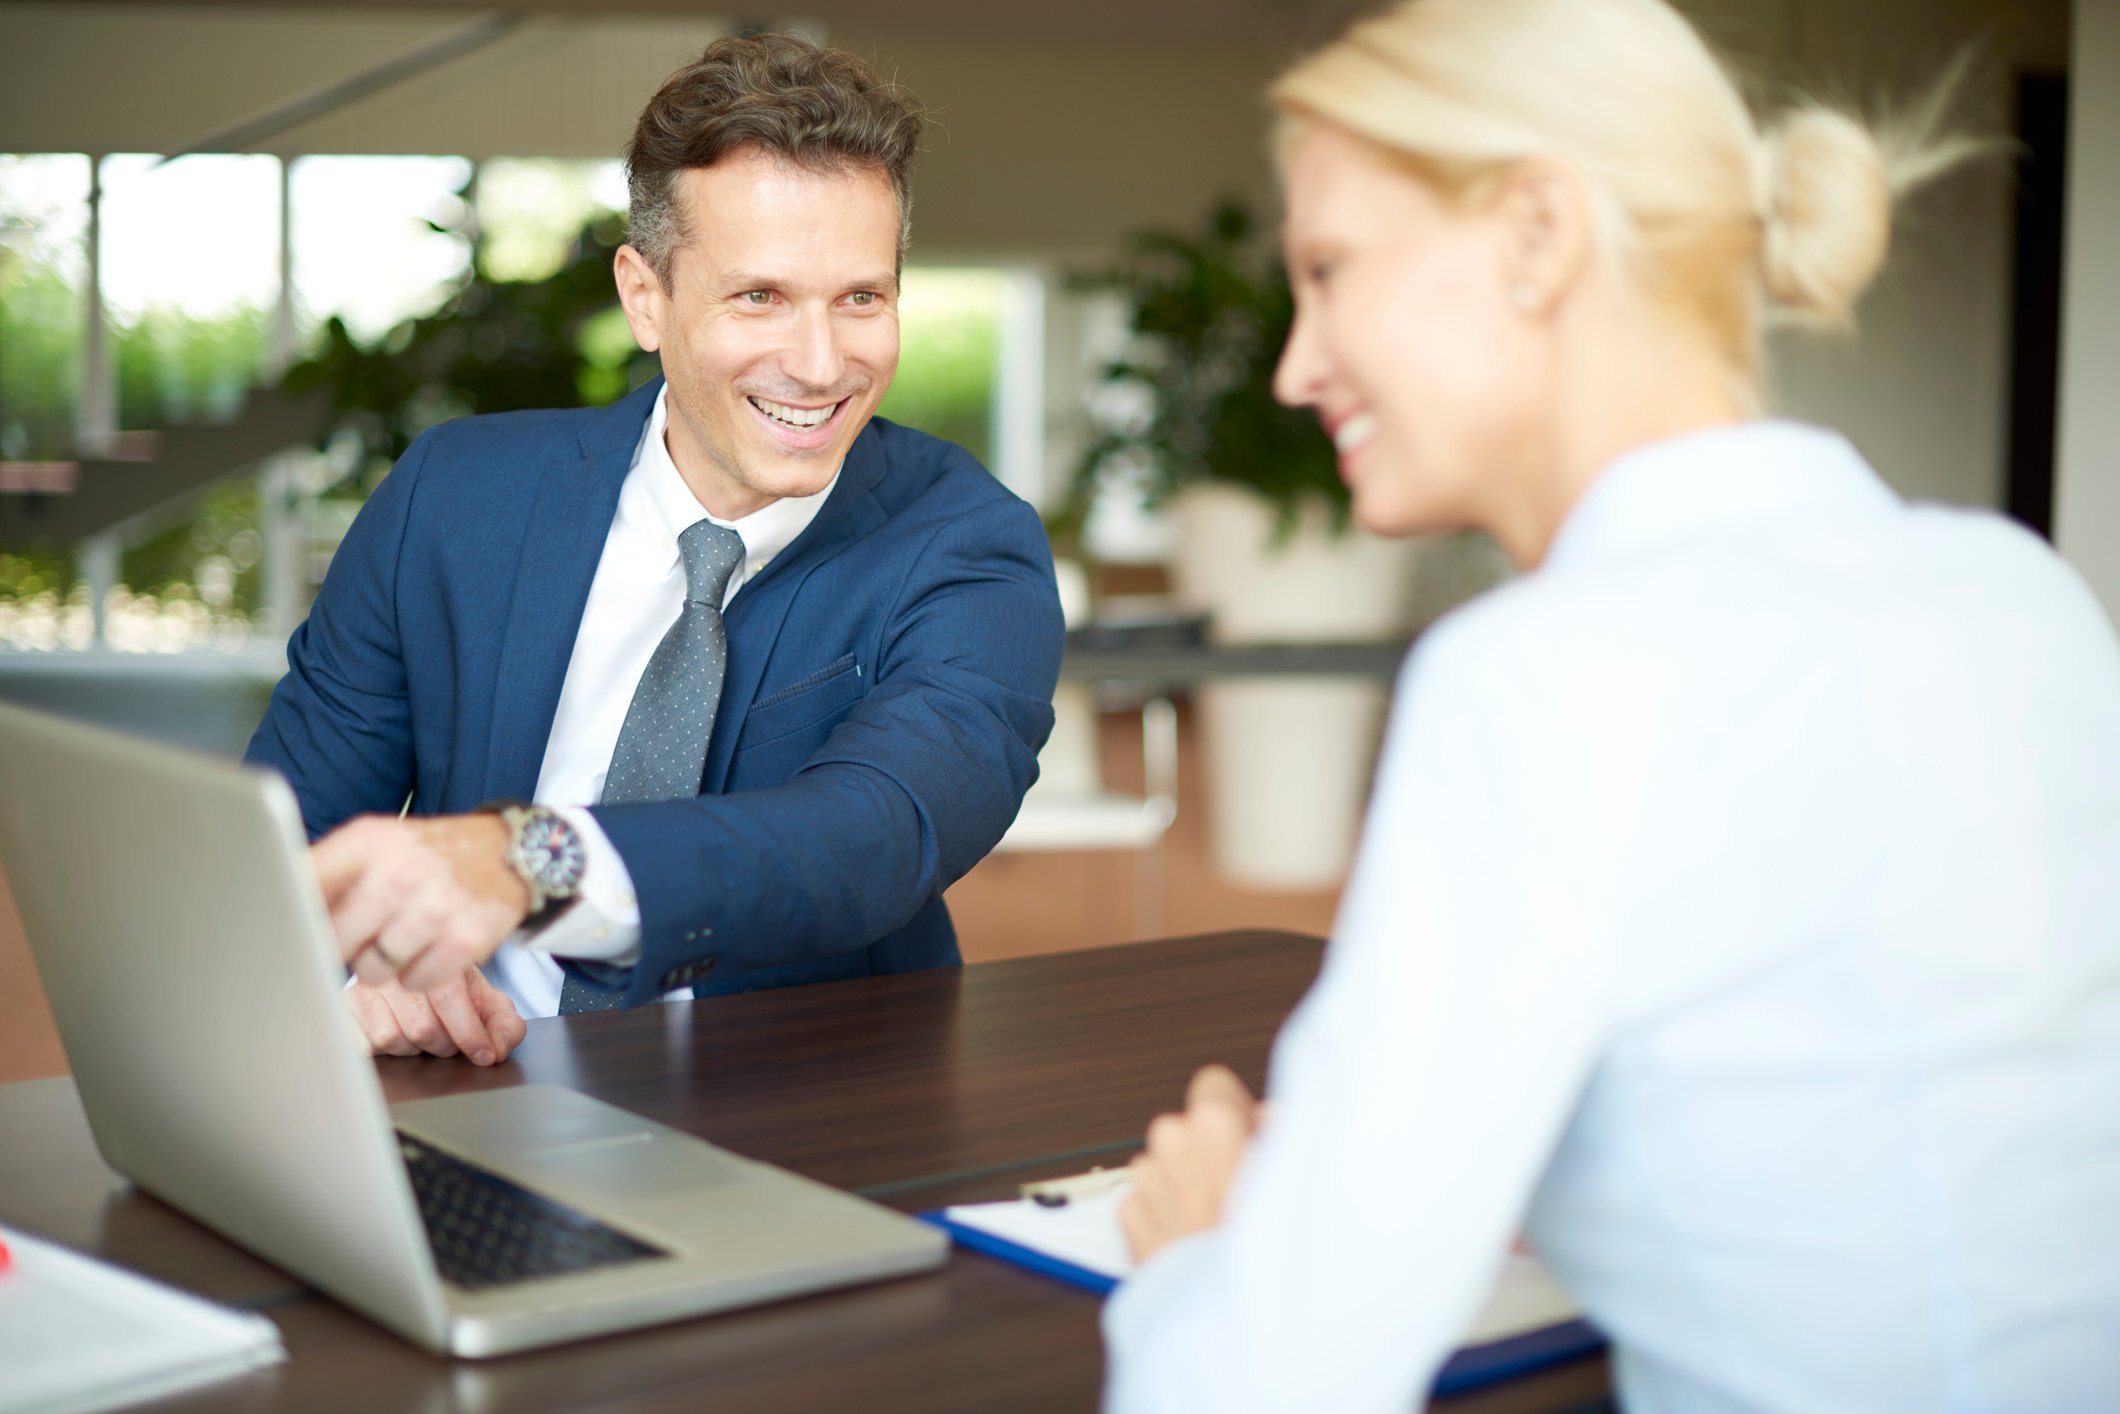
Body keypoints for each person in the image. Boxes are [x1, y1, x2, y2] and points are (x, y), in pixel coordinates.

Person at [1103, 1, 2120, 1409]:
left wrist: (1202, 1254)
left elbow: (1257, 1386)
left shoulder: (1540, 679)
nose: (1296, 364)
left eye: (1330, 270)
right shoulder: (2021, 596)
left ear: (1539, 231)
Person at [245, 33, 1064, 1066]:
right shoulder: (454, 498)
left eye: (860, 296)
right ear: (645, 297)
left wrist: (529, 861)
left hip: (802, 1134)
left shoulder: (970, 549)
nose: (819, 364)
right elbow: (288, 840)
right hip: (461, 1088)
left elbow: (870, 835)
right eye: (758, 296)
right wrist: (352, 975)